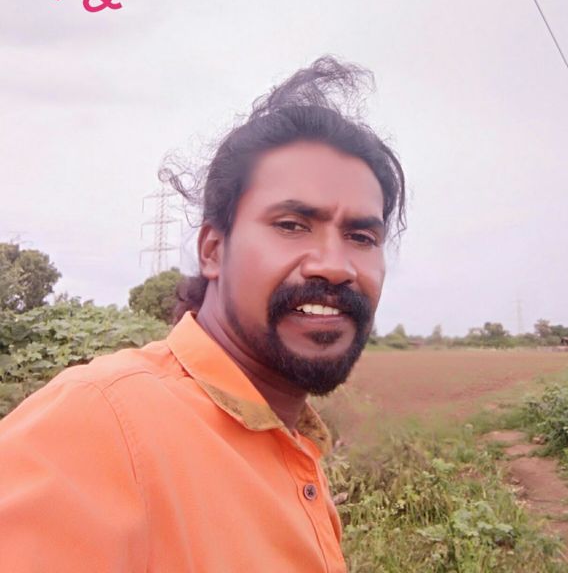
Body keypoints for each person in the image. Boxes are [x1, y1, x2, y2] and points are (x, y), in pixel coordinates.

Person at [0, 56, 406, 572]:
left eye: (361, 237)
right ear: (213, 250)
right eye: (291, 225)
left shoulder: (294, 448)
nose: (334, 265)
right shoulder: (100, 426)